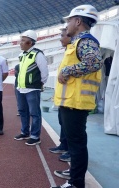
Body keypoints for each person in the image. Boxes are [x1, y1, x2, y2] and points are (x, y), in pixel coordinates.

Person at [51, 5, 102, 188]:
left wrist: (68, 70)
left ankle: (76, 184)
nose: (68, 24)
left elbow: (94, 62)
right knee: (76, 144)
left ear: (78, 21)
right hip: (72, 101)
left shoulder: (85, 41)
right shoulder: (77, 42)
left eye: (69, 21)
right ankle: (75, 180)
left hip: (76, 102)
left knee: (77, 145)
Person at [14, 30, 49, 146]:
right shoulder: (22, 55)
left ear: (30, 42)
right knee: (23, 111)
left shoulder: (38, 54)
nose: (20, 43)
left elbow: (44, 72)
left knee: (34, 113)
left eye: (23, 40)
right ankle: (24, 132)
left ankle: (35, 136)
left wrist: (39, 84)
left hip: (32, 89)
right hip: (21, 88)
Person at [49, 24, 72, 180]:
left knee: (73, 131)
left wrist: (66, 71)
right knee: (63, 124)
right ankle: (64, 145)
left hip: (72, 97)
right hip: (64, 97)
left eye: (63, 36)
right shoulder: (67, 51)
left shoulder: (76, 49)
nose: (60, 39)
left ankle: (70, 152)